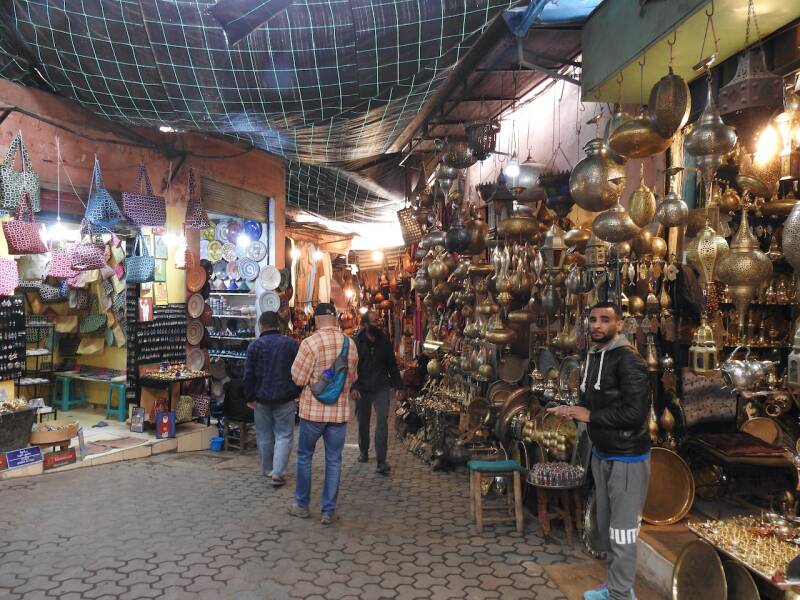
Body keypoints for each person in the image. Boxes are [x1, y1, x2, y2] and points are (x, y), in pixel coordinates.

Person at [547, 302, 650, 600]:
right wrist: (570, 410)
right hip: (603, 452)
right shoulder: (594, 355)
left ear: (620, 324)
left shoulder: (629, 360)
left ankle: (620, 595)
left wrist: (589, 415)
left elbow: (635, 413)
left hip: (626, 456)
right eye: (593, 319)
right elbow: (594, 403)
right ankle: (618, 584)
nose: (597, 325)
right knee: (606, 527)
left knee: (622, 531)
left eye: (605, 320)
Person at [289, 303, 359, 525]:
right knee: (334, 461)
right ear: (335, 320)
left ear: (317, 320)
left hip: (312, 413)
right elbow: (352, 378)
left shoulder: (309, 344)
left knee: (304, 457)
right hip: (338, 414)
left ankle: (302, 505)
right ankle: (328, 511)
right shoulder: (350, 344)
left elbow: (298, 378)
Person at [244, 311, 301, 487]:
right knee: (284, 435)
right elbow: (299, 370)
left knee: (264, 436)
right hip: (285, 397)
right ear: (278, 325)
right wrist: (297, 391)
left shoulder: (254, 346)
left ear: (261, 326)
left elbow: (248, 375)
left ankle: (268, 469)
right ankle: (278, 472)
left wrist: (249, 397)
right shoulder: (290, 344)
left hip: (261, 398)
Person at [352, 310, 402, 475]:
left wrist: (399, 386)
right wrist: (354, 386)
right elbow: (351, 367)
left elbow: (392, 365)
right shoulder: (357, 343)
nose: (379, 323)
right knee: (363, 422)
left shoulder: (384, 342)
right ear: (366, 325)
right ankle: (363, 451)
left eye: (379, 320)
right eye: (375, 321)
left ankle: (381, 461)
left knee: (382, 423)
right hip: (362, 388)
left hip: (381, 387)